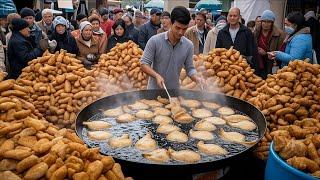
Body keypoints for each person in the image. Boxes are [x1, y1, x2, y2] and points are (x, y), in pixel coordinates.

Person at [140, 6, 203, 89]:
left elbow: (190, 68)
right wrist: (156, 76)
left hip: (174, 92)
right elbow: (144, 64)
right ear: (171, 23)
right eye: (177, 28)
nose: (181, 32)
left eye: (184, 29)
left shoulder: (189, 45)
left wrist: (197, 78)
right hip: (153, 91)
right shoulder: (155, 41)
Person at [253, 10, 285, 79]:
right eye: (264, 21)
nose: (266, 24)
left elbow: (281, 51)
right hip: (259, 62)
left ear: (272, 23)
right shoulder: (256, 32)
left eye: (269, 22)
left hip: (272, 63)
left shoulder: (279, 34)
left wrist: (265, 53)